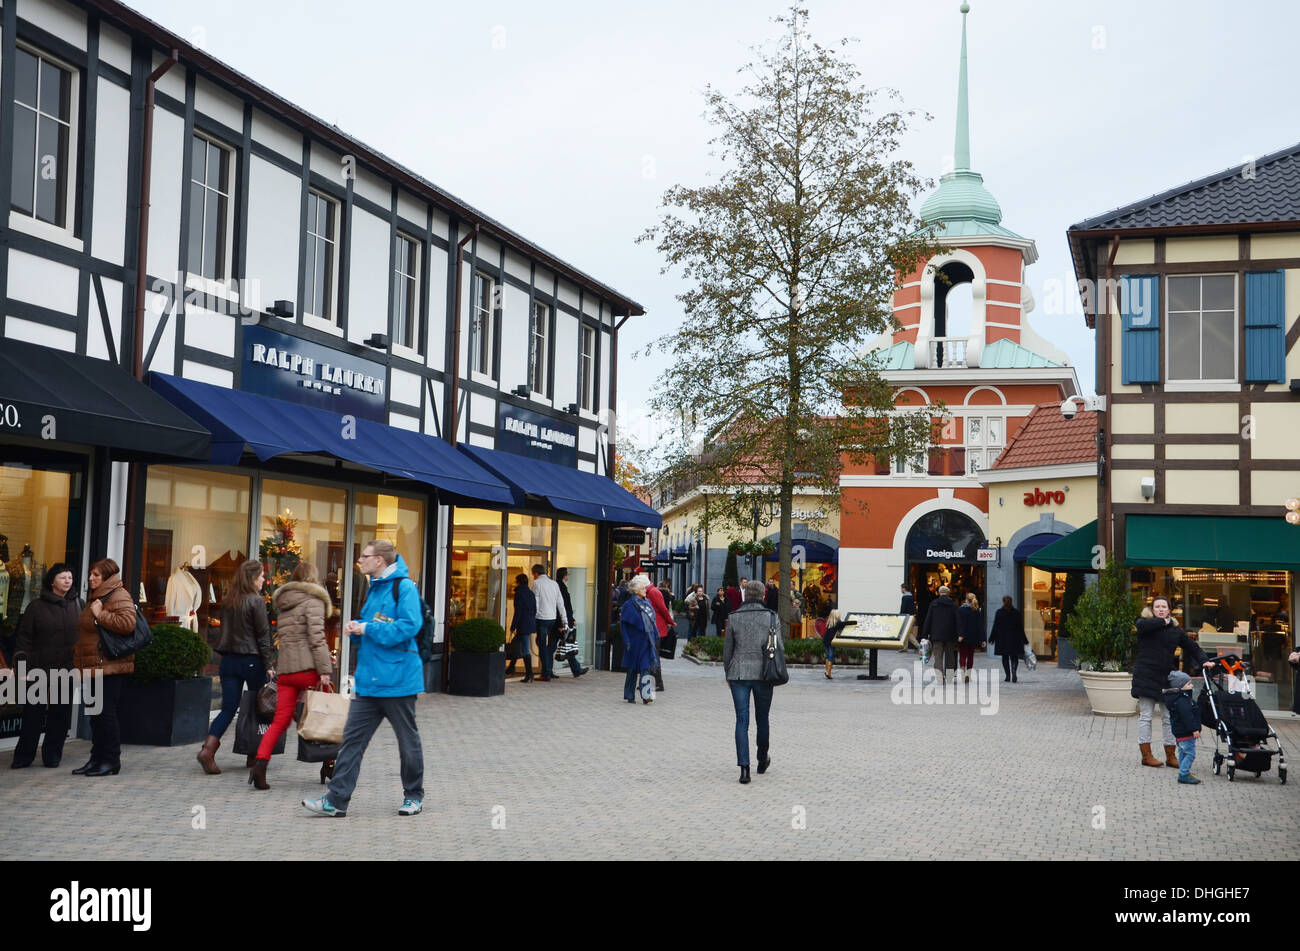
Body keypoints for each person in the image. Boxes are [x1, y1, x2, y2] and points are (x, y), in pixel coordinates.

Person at [303, 539, 425, 818]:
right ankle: (336, 800)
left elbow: (409, 626)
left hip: (398, 681)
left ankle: (413, 796)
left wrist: (366, 628)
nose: (360, 561)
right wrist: (358, 629)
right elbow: (377, 627)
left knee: (407, 742)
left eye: (365, 556)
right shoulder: (375, 587)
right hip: (369, 682)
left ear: (380, 560)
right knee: (351, 741)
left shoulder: (403, 587)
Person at [249, 562, 333, 790]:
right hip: (308, 671)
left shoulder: (285, 604)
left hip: (286, 672)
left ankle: (260, 765)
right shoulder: (313, 601)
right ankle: (329, 764)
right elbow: (316, 639)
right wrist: (325, 670)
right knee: (323, 717)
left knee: (280, 721)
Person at [197, 559, 274, 775]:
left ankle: (208, 750)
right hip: (251, 661)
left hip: (228, 661)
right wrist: (268, 664)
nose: (263, 580)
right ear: (252, 578)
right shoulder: (256, 601)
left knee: (228, 709)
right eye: (261, 577)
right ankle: (255, 755)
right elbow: (262, 635)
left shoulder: (229, 600)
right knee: (259, 708)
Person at [71, 558, 139, 777]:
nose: (91, 578)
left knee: (105, 715)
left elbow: (128, 623)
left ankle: (110, 760)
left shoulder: (118, 595)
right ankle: (96, 758)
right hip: (94, 666)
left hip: (109, 666)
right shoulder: (98, 596)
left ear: (107, 577)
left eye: (96, 575)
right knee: (95, 715)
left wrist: (101, 614)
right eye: (90, 574)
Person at [11, 563, 81, 769]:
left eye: (70, 577)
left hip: (67, 669)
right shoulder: (36, 607)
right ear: (52, 581)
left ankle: (52, 756)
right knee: (33, 714)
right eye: (62, 577)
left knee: (60, 715)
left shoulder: (78, 605)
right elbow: (23, 640)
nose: (68, 581)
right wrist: (22, 668)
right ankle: (24, 756)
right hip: (38, 669)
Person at [1133, 596, 1212, 769]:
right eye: (1157, 607)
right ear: (1152, 610)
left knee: (1169, 717)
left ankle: (1171, 755)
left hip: (1165, 678)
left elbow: (1192, 646)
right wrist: (1163, 622)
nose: (1161, 609)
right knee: (1146, 716)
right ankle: (1146, 755)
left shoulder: (1175, 631)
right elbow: (1143, 626)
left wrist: (1204, 660)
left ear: (1169, 609)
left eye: (1164, 607)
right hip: (1146, 676)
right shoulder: (1144, 624)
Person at [724, 579, 780, 784]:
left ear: (745, 595)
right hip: (765, 674)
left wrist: (727, 674)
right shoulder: (772, 617)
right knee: (762, 717)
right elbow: (779, 647)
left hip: (739, 673)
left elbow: (727, 650)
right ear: (763, 595)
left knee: (742, 720)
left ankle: (744, 769)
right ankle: (762, 758)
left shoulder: (734, 617)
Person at [619, 576, 659, 704]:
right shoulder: (628, 605)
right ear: (636, 591)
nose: (645, 590)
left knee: (645, 667)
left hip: (647, 640)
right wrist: (626, 640)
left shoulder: (647, 603)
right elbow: (623, 625)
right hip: (634, 641)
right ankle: (629, 695)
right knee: (632, 669)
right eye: (642, 588)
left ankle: (646, 694)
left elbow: (652, 621)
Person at [1162, 670, 1201, 785]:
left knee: (1183, 752)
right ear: (1180, 687)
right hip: (1186, 732)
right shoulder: (1183, 701)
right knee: (1190, 754)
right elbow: (1187, 717)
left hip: (1179, 732)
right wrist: (1194, 729)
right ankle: (1183, 774)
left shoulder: (1179, 699)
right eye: (1188, 684)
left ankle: (1184, 772)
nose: (1192, 686)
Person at [921, 585, 959, 685]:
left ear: (939, 593)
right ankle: (949, 677)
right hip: (950, 635)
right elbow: (958, 620)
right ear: (948, 593)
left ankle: (939, 678)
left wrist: (925, 634)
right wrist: (960, 634)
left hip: (936, 635)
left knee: (938, 657)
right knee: (950, 656)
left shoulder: (933, 604)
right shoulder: (953, 604)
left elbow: (928, 619)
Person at [554, 567, 588, 678]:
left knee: (566, 645)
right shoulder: (560, 587)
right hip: (562, 622)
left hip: (564, 621)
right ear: (564, 575)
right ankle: (547, 670)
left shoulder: (560, 586)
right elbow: (562, 606)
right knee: (557, 645)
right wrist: (563, 622)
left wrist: (571, 619)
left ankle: (576, 669)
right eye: (567, 574)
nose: (568, 576)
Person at [532, 564, 563, 682]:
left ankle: (546, 672)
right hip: (552, 618)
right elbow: (560, 602)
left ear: (535, 573)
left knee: (542, 645)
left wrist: (534, 616)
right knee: (547, 645)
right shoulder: (554, 584)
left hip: (541, 618)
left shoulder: (537, 583)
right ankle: (548, 669)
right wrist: (564, 619)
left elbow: (536, 601)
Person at [989, 595, 1028, 683]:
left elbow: (995, 626)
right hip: (1015, 639)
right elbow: (1020, 628)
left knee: (1005, 657)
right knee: (1014, 657)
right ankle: (1014, 671)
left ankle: (1008, 675)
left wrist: (991, 638)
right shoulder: (1016, 613)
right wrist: (1025, 640)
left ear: (1003, 602)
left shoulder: (999, 612)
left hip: (1002, 639)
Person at [644, 573, 672, 691]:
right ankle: (648, 682)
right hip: (652, 628)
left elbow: (663, 608)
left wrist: (670, 621)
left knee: (654, 656)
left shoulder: (653, 592)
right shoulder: (650, 592)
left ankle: (659, 684)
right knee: (650, 656)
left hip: (656, 629)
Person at [508, 573, 537, 683]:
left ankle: (529, 673)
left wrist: (513, 626)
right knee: (515, 643)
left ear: (518, 582)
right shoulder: (530, 593)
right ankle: (511, 667)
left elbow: (518, 612)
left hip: (522, 624)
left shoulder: (519, 593)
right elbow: (535, 609)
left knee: (525, 649)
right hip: (529, 622)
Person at [956, 593, 985, 683]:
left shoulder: (960, 609)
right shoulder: (976, 610)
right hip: (973, 637)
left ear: (966, 599)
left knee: (963, 655)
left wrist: (958, 634)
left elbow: (958, 624)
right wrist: (982, 639)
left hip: (963, 636)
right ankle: (968, 674)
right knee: (970, 656)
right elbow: (980, 626)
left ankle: (962, 669)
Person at [821, 608, 856, 680]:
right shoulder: (838, 623)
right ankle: (828, 673)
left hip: (825, 641)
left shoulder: (830, 623)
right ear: (836, 615)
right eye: (839, 614)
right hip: (831, 642)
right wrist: (856, 621)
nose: (840, 615)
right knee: (830, 656)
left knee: (828, 656)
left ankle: (827, 671)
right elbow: (845, 623)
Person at [900, 582, 921, 652]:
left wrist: (901, 616)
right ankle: (905, 647)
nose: (901, 590)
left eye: (901, 588)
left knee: (907, 633)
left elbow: (903, 608)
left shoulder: (905, 597)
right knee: (906, 632)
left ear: (904, 589)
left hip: (906, 616)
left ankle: (918, 646)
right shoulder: (911, 596)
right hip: (911, 616)